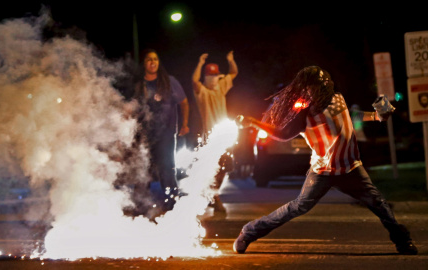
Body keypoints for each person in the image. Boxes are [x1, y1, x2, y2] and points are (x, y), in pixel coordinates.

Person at [233, 66, 417, 255]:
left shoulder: (337, 98)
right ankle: (249, 232)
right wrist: (253, 122)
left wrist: (376, 116)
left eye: (321, 86)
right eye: (312, 87)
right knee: (298, 207)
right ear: (306, 88)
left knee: (378, 204)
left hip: (351, 167)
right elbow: (284, 134)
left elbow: (350, 115)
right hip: (322, 171)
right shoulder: (304, 110)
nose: (317, 90)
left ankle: (403, 242)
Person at [134, 48, 189, 212]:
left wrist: (184, 124)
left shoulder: (169, 81)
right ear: (144, 64)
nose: (153, 62)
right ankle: (141, 204)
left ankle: (172, 202)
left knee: (166, 167)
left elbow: (184, 103)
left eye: (155, 59)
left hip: (166, 133)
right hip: (145, 133)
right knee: (142, 168)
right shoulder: (140, 85)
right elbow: (135, 107)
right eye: (149, 60)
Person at [192, 51, 238, 214]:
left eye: (215, 75)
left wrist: (230, 60)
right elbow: (194, 81)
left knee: (225, 167)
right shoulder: (203, 93)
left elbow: (233, 73)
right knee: (213, 168)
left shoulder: (221, 88)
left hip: (224, 135)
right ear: (207, 77)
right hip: (210, 138)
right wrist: (199, 64)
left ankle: (213, 194)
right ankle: (214, 197)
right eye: (211, 76)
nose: (214, 79)